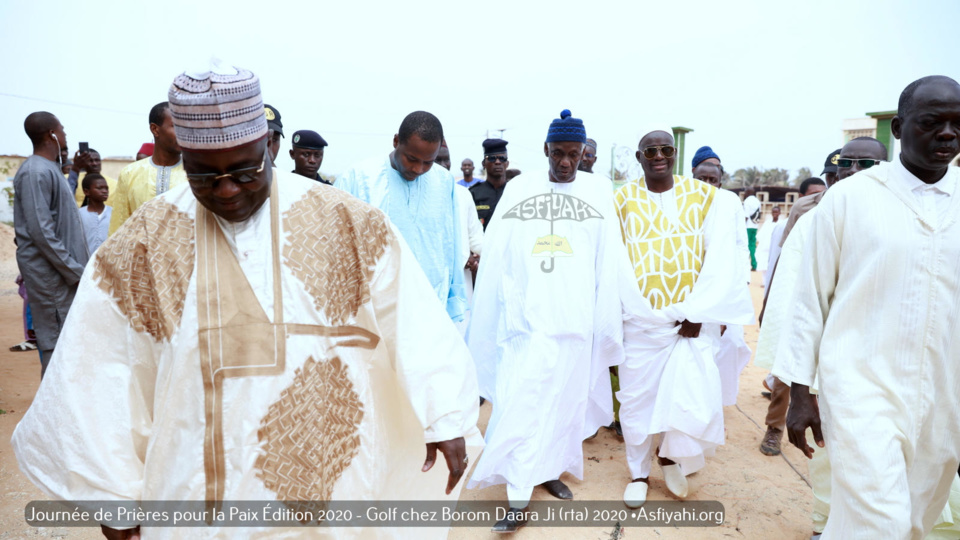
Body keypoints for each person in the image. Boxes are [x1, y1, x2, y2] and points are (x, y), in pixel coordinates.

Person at [12, 63, 482, 540]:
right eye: (203, 176)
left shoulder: (348, 223)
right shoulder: (145, 241)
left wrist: (441, 411)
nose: (227, 190)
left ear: (268, 146)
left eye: (244, 170)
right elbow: (100, 369)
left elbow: (408, 317)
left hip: (327, 486)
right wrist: (111, 499)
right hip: (197, 491)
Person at [776, 75, 960, 539]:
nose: (947, 134)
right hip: (860, 388)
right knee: (880, 522)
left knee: (916, 522)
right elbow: (809, 300)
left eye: (958, 125)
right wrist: (800, 393)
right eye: (931, 122)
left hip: (946, 392)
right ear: (898, 128)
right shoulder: (849, 199)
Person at [468, 110, 631, 532]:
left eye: (573, 154)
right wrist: (503, 311)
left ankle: (550, 472)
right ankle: (517, 496)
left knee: (564, 405)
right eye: (558, 153)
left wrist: (603, 319)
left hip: (576, 323)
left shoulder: (598, 190)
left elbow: (608, 261)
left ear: (583, 153)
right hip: (528, 325)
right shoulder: (521, 188)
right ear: (545, 150)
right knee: (521, 402)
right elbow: (498, 256)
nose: (565, 163)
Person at [615, 130, 753, 508]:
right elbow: (615, 262)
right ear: (640, 157)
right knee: (636, 402)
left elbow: (721, 254)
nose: (659, 155)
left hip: (689, 323)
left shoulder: (706, 197)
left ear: (675, 154)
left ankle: (669, 458)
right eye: (651, 151)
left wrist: (700, 312)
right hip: (640, 322)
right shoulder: (621, 199)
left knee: (687, 398)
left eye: (666, 150)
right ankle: (639, 474)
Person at [337, 111, 467, 323]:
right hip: (375, 313)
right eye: (412, 159)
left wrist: (454, 303)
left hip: (431, 310)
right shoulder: (357, 179)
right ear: (396, 141)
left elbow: (450, 244)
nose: (418, 169)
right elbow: (338, 250)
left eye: (428, 162)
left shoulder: (444, 182)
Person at [12, 111, 89, 377]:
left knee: (70, 343)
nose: (66, 135)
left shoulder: (50, 169)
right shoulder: (34, 171)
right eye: (63, 130)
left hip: (63, 275)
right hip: (52, 278)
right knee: (56, 343)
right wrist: (75, 271)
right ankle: (51, 414)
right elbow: (40, 232)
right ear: (52, 135)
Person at [691, 159, 752, 407]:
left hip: (720, 293)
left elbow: (739, 248)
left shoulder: (729, 203)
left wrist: (728, 307)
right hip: (686, 295)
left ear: (720, 182)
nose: (706, 185)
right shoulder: (680, 202)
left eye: (712, 181)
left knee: (723, 349)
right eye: (701, 180)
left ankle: (713, 407)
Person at [109, 102, 187, 235]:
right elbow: (119, 226)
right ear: (155, 129)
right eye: (176, 127)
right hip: (141, 254)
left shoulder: (195, 173)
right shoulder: (130, 174)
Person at [470, 138, 510, 229]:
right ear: (484, 164)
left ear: (507, 164)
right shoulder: (473, 193)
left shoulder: (514, 192)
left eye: (502, 158)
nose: (497, 162)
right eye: (492, 158)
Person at [78, 172, 111, 255]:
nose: (104, 191)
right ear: (86, 191)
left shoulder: (114, 213)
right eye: (99, 188)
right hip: (84, 264)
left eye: (106, 188)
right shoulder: (78, 215)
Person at [742, 186, 761, 270]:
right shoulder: (757, 201)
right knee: (753, 245)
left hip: (747, 226)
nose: (745, 193)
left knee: (746, 246)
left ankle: (747, 264)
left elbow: (746, 215)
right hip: (755, 226)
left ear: (749, 192)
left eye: (746, 191)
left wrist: (742, 226)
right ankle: (754, 264)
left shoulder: (747, 201)